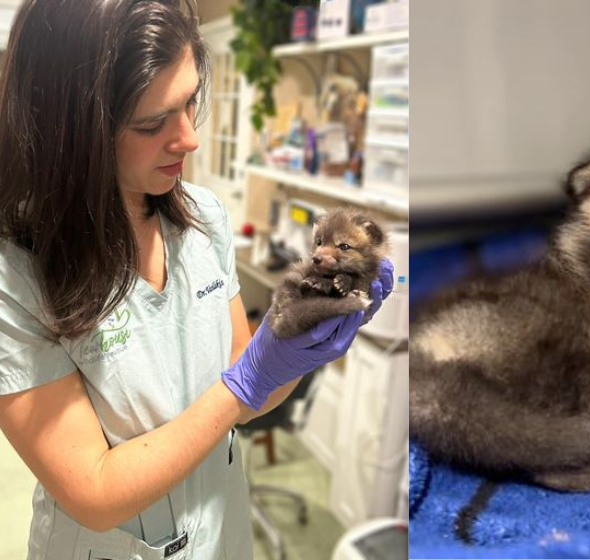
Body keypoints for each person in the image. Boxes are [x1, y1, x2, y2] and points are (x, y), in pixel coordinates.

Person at [0, 0, 394, 558]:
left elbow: (249, 376)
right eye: (152, 122)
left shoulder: (203, 217)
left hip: (220, 526)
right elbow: (92, 488)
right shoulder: (14, 275)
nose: (189, 140)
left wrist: (301, 349)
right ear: (70, 130)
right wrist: (242, 389)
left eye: (190, 104)